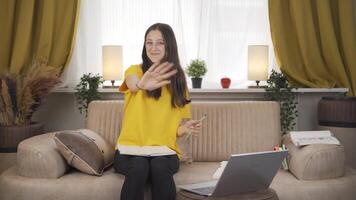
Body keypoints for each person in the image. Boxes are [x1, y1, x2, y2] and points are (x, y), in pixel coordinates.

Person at [114, 23, 202, 200]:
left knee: (159, 165)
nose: (153, 48)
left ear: (169, 46)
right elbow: (131, 83)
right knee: (139, 165)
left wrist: (186, 129)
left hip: (164, 152)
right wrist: (141, 85)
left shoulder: (179, 82)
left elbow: (176, 129)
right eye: (149, 43)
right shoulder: (135, 71)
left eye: (160, 43)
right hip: (130, 151)